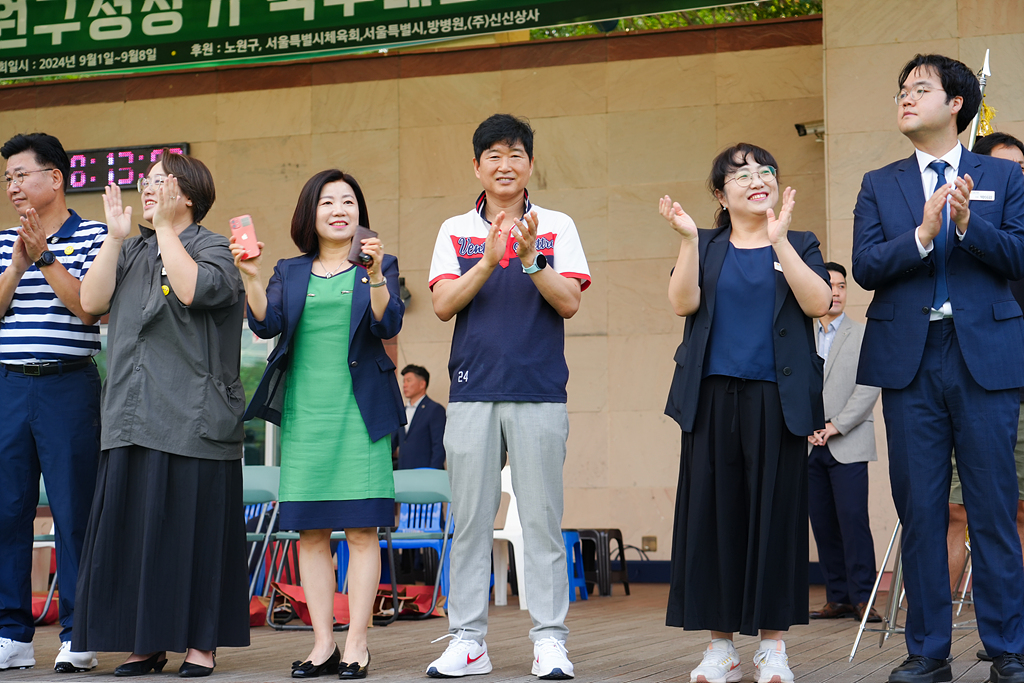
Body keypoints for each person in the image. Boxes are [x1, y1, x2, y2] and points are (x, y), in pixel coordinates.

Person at [852, 54, 1024, 683]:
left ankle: (1008, 648)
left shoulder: (1002, 177)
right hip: (911, 361)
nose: (905, 97)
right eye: (901, 89)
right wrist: (923, 235)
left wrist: (968, 225)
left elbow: (1021, 257)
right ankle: (927, 651)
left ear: (956, 103)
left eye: (919, 88)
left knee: (993, 505)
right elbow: (866, 267)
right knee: (921, 509)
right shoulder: (881, 182)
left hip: (985, 357)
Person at [425, 114, 590, 680]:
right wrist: (489, 260)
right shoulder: (453, 229)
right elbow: (444, 304)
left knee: (541, 520)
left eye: (515, 154)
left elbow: (569, 301)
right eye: (493, 155)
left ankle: (549, 640)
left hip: (540, 390)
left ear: (530, 164)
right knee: (469, 520)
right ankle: (469, 640)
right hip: (472, 393)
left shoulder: (557, 225)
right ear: (477, 165)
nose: (505, 164)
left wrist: (528, 258)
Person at [74, 150, 250, 677]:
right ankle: (146, 642)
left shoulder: (215, 247)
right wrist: (113, 236)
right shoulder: (132, 252)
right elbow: (90, 300)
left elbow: (194, 289)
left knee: (191, 536)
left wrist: (168, 229)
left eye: (161, 182)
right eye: (145, 182)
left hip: (193, 420)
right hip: (130, 417)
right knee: (135, 537)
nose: (148, 189)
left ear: (188, 194)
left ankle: (202, 643)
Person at [661, 142, 831, 683]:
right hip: (711, 398)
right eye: (741, 175)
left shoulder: (799, 241)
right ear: (720, 193)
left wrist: (780, 243)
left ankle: (773, 647)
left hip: (777, 401)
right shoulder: (706, 243)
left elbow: (819, 303)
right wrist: (688, 240)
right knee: (714, 516)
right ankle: (721, 647)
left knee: (775, 518)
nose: (756, 179)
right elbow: (682, 303)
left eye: (765, 171)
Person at [238, 169, 405, 680]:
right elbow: (265, 324)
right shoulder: (289, 270)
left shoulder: (380, 263)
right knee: (309, 532)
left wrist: (375, 273)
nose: (340, 209)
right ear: (310, 213)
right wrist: (248, 272)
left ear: (360, 213)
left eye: (349, 201)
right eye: (328, 201)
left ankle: (357, 643)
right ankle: (322, 644)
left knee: (360, 530)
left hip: (360, 413)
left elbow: (388, 322)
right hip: (306, 414)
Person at [0, 133, 105, 674]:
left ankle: (78, 633)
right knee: (7, 510)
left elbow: (90, 309)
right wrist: (16, 265)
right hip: (8, 386)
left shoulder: (96, 236)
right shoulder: (1, 240)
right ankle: (11, 635)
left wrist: (43, 256)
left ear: (56, 176)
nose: (14, 186)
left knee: (74, 510)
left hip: (69, 385)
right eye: (8, 178)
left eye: (22, 174)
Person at [943, 131, 1024, 663]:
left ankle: (1012, 631)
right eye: (1004, 168)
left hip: (1012, 383)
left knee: (1013, 512)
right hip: (967, 379)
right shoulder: (957, 223)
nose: (1015, 177)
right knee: (958, 511)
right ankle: (943, 631)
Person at [806, 262, 881, 625]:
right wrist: (805, 426)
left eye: (841, 286)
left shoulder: (864, 334)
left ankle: (864, 599)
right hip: (806, 445)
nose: (835, 292)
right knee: (822, 523)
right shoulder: (800, 335)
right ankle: (837, 598)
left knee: (853, 522)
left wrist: (835, 425)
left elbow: (868, 386)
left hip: (847, 441)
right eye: (828, 285)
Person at [392, 364, 446, 470]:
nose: (404, 385)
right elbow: (392, 444)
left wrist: (433, 472)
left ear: (422, 384)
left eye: (409, 380)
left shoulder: (435, 409)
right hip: (403, 473)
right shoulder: (401, 411)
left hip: (426, 474)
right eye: (404, 381)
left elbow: (439, 446)